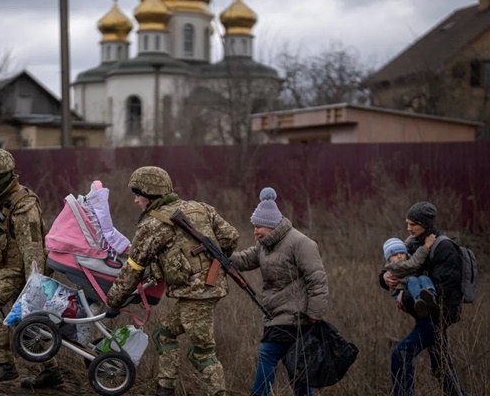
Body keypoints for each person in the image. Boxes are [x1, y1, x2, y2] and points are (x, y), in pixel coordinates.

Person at [104, 166, 240, 396]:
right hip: (205, 290)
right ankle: (165, 389)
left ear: (150, 193)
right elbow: (231, 238)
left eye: (138, 194)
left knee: (203, 354)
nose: (136, 200)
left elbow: (133, 268)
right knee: (163, 333)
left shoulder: (152, 225)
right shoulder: (201, 208)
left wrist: (113, 302)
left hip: (197, 295)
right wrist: (211, 264)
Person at [0, 147, 63, 389]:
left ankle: (4, 365)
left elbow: (32, 248)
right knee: (26, 320)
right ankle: (50, 371)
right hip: (11, 267)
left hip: (23, 270)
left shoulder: (23, 205)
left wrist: (35, 285)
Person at [228, 187, 329, 396]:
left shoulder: (301, 243)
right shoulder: (264, 245)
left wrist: (315, 315)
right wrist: (221, 254)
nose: (255, 231)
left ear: (272, 225)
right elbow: (245, 259)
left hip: (298, 318)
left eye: (259, 226)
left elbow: (317, 280)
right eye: (254, 226)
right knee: (297, 370)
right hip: (275, 315)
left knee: (269, 354)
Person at [378, 201, 466, 396]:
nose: (408, 228)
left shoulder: (444, 248)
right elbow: (394, 266)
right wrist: (385, 278)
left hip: (438, 315)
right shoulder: (412, 243)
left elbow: (443, 290)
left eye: (412, 224)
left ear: (424, 223)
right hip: (424, 314)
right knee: (441, 367)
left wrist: (406, 295)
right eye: (407, 223)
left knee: (401, 354)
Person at [383, 236, 439, 318]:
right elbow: (413, 263)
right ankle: (419, 302)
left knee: (423, 278)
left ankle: (431, 295)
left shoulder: (402, 258)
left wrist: (413, 236)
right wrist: (426, 247)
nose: (399, 256)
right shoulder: (395, 265)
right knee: (412, 279)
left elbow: (404, 245)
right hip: (400, 291)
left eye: (402, 253)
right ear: (389, 259)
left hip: (411, 286)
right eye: (395, 255)